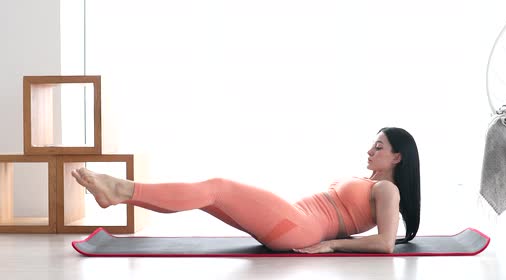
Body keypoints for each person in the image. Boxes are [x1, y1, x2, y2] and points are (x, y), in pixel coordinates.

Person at [71, 127, 421, 254]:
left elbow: (385, 244)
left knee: (217, 187)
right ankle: (120, 195)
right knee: (207, 199)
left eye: (378, 147)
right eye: (372, 145)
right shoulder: (372, 184)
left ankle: (121, 190)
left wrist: (331, 244)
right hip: (295, 222)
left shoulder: (388, 192)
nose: (369, 151)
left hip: (300, 228)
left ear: (398, 156)